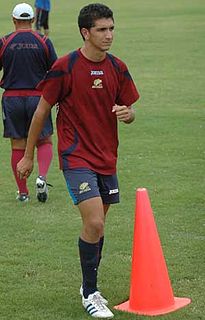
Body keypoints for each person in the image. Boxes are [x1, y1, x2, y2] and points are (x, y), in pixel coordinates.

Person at [17, 3, 140, 317]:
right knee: (95, 222)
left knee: (97, 228)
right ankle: (90, 292)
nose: (108, 35)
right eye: (102, 29)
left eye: (111, 28)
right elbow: (41, 112)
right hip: (76, 157)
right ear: (86, 32)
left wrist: (128, 115)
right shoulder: (65, 66)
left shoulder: (118, 67)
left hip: (106, 157)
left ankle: (89, 284)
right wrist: (28, 156)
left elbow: (129, 110)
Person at [0, 2, 57, 202]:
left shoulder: (4, 41)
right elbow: (55, 71)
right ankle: (41, 177)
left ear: (14, 20)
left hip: (11, 99)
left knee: (17, 145)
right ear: (33, 20)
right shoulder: (43, 40)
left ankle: (23, 193)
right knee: (44, 140)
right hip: (38, 98)